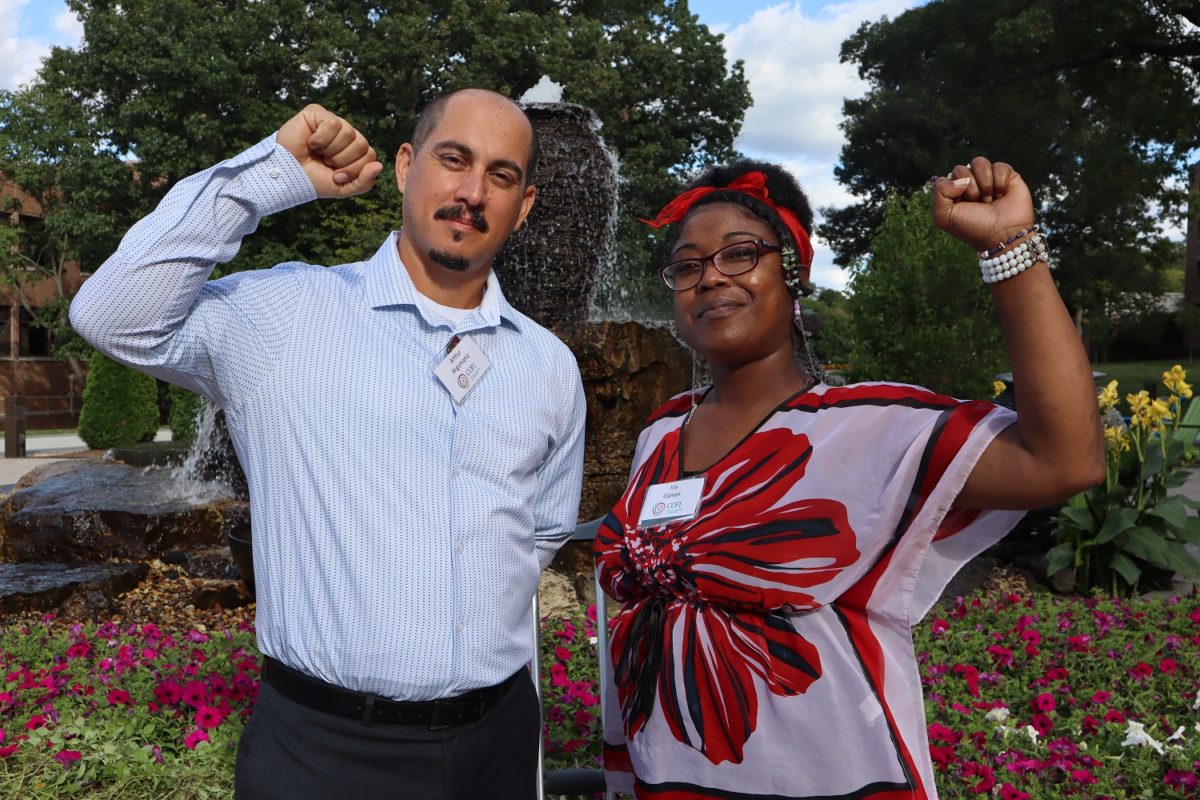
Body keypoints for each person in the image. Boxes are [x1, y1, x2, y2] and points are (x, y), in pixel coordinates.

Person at [70, 89, 587, 799]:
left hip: (495, 742)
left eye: (500, 176)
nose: (471, 192)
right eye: (453, 159)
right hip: (323, 755)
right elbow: (111, 315)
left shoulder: (548, 365)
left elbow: (541, 531)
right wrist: (268, 177)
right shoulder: (285, 313)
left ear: (523, 207)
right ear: (407, 166)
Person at [594, 157, 1104, 799]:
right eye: (688, 265)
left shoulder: (867, 426)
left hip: (831, 780)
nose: (710, 278)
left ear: (793, 272)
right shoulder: (661, 432)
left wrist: (1010, 249)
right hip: (662, 778)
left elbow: (1066, 461)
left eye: (739, 254)